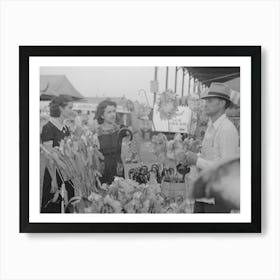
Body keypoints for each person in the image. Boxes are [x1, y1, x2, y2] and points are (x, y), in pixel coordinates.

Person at [184, 82, 239, 213]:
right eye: (206, 100)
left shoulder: (227, 129)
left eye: (210, 100)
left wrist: (196, 160)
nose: (206, 104)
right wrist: (192, 156)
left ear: (222, 103)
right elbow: (210, 158)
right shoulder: (211, 127)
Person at [41, 95, 75, 213]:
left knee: (69, 206)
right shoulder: (48, 127)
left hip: (67, 173)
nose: (72, 110)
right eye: (70, 108)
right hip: (54, 174)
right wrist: (54, 180)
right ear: (61, 108)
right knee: (53, 209)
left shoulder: (66, 128)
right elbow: (49, 156)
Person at [94, 99, 126, 184]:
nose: (113, 114)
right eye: (109, 112)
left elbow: (136, 131)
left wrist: (133, 110)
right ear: (102, 115)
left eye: (114, 111)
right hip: (103, 171)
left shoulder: (120, 130)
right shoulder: (95, 133)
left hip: (118, 169)